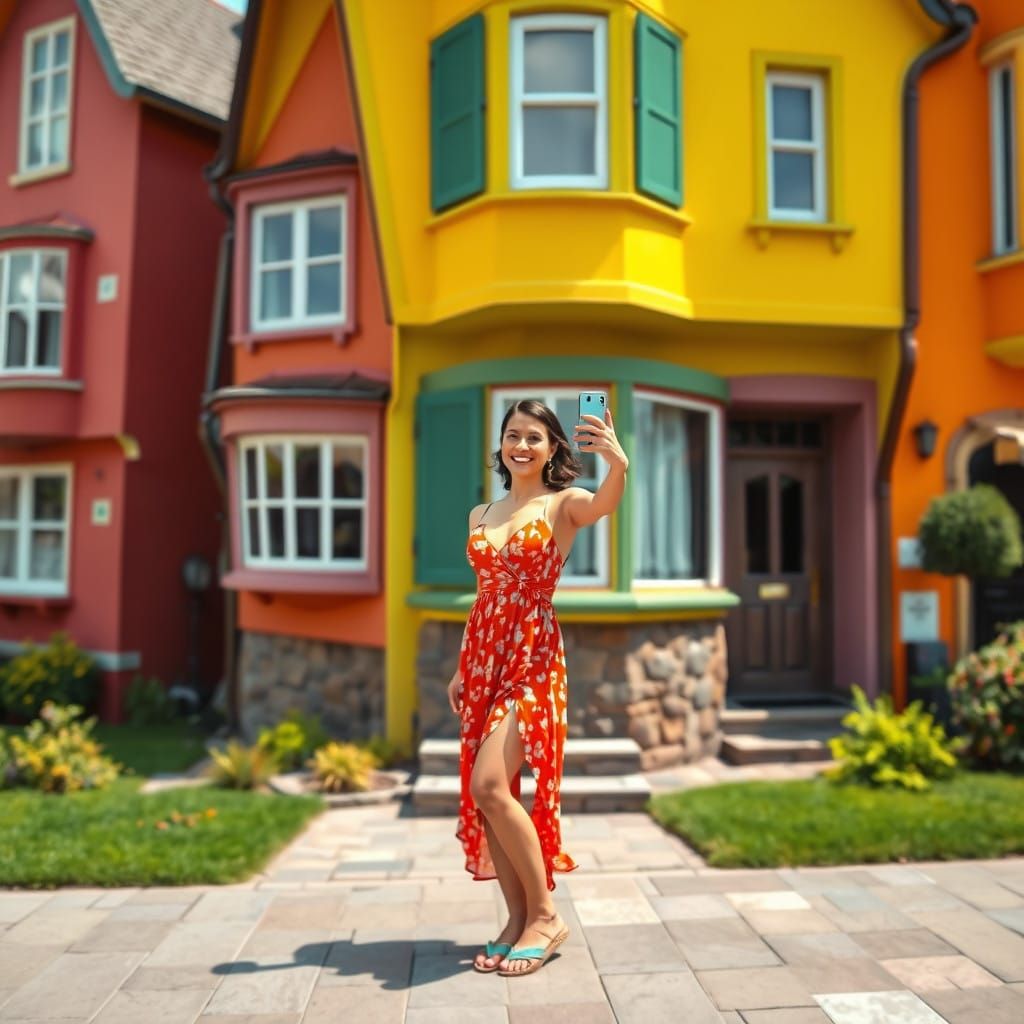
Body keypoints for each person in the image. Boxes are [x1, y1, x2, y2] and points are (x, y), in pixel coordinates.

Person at [446, 397, 628, 977]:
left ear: (552, 449)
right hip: (483, 661)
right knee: (488, 796)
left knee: (492, 783)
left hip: (534, 659)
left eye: (534, 437)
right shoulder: (481, 513)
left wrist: (618, 463)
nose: (521, 446)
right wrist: (459, 667)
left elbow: (603, 505)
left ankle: (546, 915)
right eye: (512, 435)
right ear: (501, 444)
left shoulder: (563, 505)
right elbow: (483, 599)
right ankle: (516, 916)